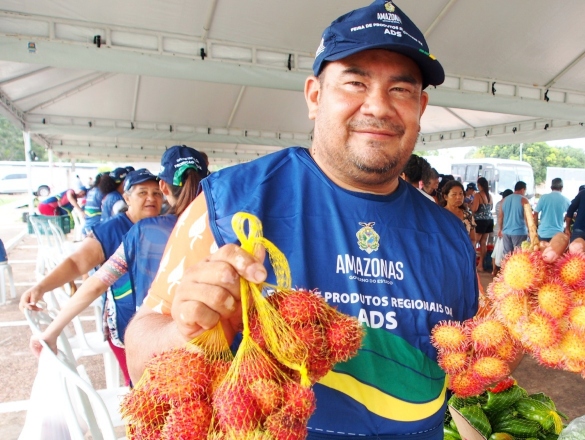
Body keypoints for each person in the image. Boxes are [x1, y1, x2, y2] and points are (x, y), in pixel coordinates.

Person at [124, 2, 480, 438]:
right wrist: (185, 330)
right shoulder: (228, 204)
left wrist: (525, 312)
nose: (379, 107)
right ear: (315, 96)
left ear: (420, 106)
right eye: (355, 82)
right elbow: (141, 354)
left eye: (401, 90)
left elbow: (466, 366)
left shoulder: (449, 234)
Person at [28, 147, 208, 387]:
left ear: (164, 189)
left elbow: (97, 283)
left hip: (152, 345)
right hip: (208, 349)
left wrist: (52, 332)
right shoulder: (225, 228)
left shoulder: (143, 232)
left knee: (151, 413)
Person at [497, 181, 530, 255]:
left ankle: (505, 267)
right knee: (518, 256)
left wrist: (500, 229)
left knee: (507, 256)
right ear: (522, 189)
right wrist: (530, 231)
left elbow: (500, 216)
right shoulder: (524, 200)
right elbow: (527, 218)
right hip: (519, 232)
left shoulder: (504, 200)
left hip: (506, 232)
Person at [534, 177, 571, 242]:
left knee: (542, 252)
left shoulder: (543, 198)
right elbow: (569, 215)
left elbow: (535, 213)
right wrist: (566, 225)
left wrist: (535, 228)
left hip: (543, 234)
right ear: (561, 188)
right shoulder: (566, 200)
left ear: (551, 187)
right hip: (558, 234)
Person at [471, 177, 494, 271]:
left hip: (480, 221)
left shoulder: (478, 195)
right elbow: (491, 208)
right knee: (483, 242)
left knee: (474, 241)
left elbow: (474, 209)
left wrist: (470, 205)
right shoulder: (490, 196)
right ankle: (481, 265)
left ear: (479, 185)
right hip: (489, 220)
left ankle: (472, 264)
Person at [491, 189, 513, 276]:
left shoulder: (499, 203)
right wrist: (501, 229)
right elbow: (501, 217)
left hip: (499, 230)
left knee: (496, 252)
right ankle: (500, 271)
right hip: (502, 231)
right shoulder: (505, 204)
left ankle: (494, 270)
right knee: (500, 253)